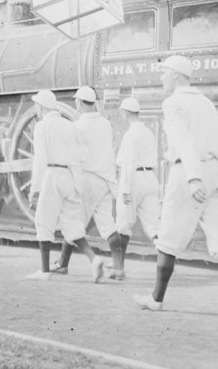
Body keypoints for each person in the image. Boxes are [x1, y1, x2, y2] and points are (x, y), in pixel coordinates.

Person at [133, 55, 218, 321]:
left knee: (168, 238)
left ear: (175, 74)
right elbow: (211, 142)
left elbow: (184, 141)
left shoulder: (173, 102)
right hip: (215, 172)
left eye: (164, 73)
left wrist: (193, 176)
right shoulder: (206, 102)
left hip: (188, 173)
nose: (161, 78)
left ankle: (156, 299)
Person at [26, 90, 105, 282]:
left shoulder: (41, 127)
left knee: (44, 221)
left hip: (51, 176)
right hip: (69, 177)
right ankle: (94, 259)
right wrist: (77, 186)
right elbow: (79, 156)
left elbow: (40, 160)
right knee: (71, 224)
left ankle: (44, 271)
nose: (36, 107)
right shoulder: (70, 126)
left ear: (41, 106)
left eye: (37, 104)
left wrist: (34, 189)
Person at [50, 86, 120, 278]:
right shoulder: (105, 123)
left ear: (79, 103)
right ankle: (119, 268)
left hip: (88, 179)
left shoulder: (77, 126)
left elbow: (74, 155)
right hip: (105, 180)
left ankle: (77, 262)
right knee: (107, 224)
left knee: (73, 221)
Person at [113, 98, 160, 279]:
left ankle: (118, 268)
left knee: (123, 223)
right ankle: (166, 261)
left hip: (135, 180)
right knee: (154, 226)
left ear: (126, 113)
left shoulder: (131, 135)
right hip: (150, 179)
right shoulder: (148, 132)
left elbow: (128, 163)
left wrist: (125, 189)